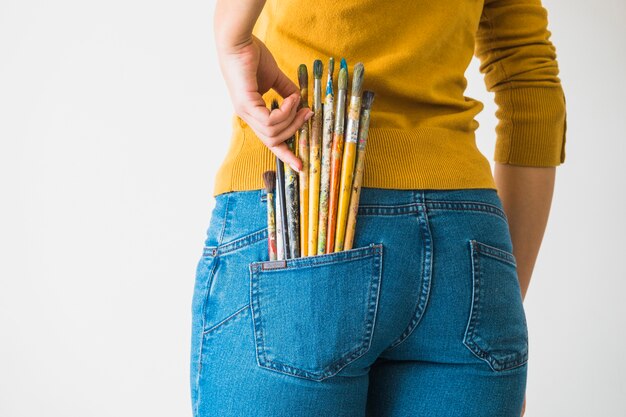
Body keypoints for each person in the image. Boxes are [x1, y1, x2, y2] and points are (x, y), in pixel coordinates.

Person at [190, 0, 567, 416]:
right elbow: (532, 92)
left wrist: (232, 37)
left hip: (298, 202)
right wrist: (497, 302)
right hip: (467, 250)